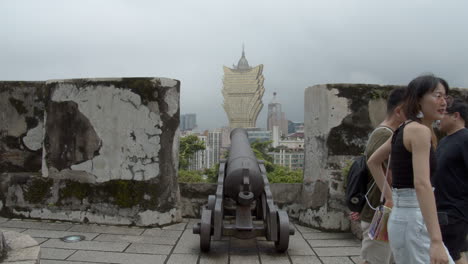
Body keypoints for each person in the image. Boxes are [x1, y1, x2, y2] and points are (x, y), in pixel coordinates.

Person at [367, 75, 455, 264]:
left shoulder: (404, 128)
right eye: (437, 95)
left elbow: (373, 162)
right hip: (415, 219)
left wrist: (391, 197)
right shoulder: (419, 131)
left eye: (445, 96)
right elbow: (422, 183)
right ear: (418, 99)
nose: (443, 102)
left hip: (403, 217)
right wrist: (436, 240)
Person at [356, 87, 406, 264]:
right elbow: (387, 174)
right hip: (381, 211)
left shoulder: (386, 133)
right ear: (399, 111)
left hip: (385, 210)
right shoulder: (386, 134)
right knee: (375, 260)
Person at [435, 98, 468, 264]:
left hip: (455, 211)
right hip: (441, 210)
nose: (438, 118)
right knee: (452, 255)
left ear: (456, 115)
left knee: (451, 256)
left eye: (442, 114)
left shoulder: (465, 139)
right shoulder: (443, 141)